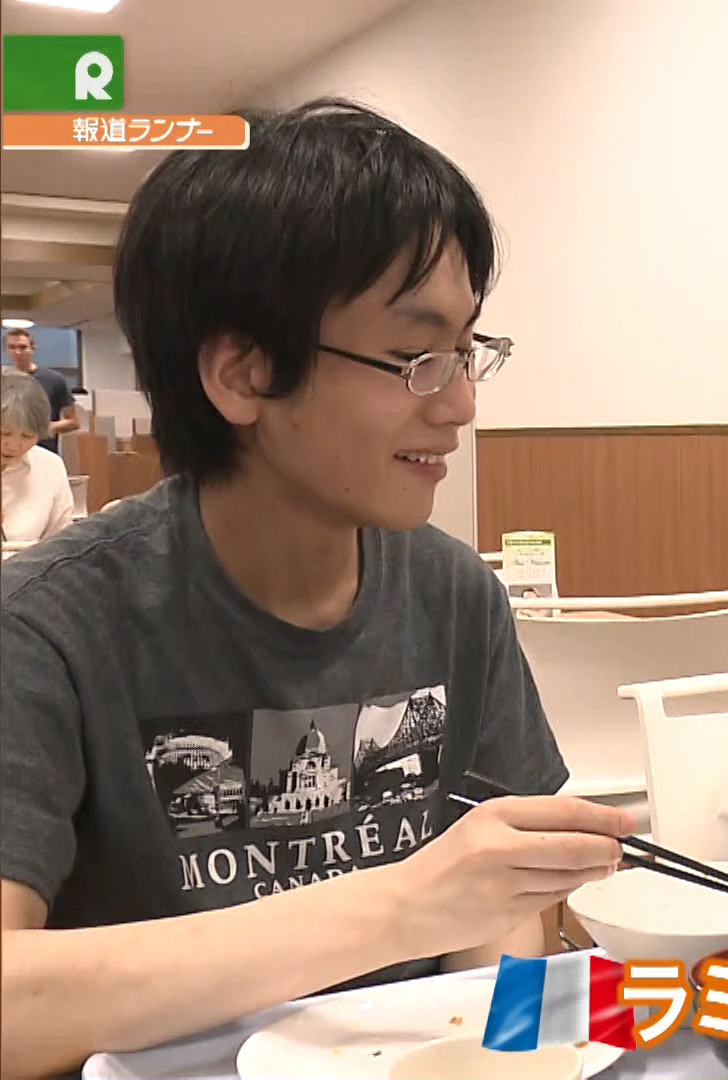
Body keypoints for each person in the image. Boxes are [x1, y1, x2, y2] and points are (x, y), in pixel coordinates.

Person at [0, 99, 633, 1079]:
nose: (461, 403)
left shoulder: (455, 595)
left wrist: (516, 1056)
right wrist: (398, 907)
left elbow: (502, 923)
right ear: (243, 374)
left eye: (468, 352)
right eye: (416, 357)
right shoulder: (48, 625)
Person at [2, 369, 75, 544]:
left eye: (27, 436)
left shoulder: (50, 466)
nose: (14, 445)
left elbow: (62, 541)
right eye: (4, 433)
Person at [5, 327, 80, 453]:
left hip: (43, 451)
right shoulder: (4, 379)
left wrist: (43, 429)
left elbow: (73, 421)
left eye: (23, 347)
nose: (17, 352)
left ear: (32, 348)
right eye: (12, 347)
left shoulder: (54, 380)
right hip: (8, 452)